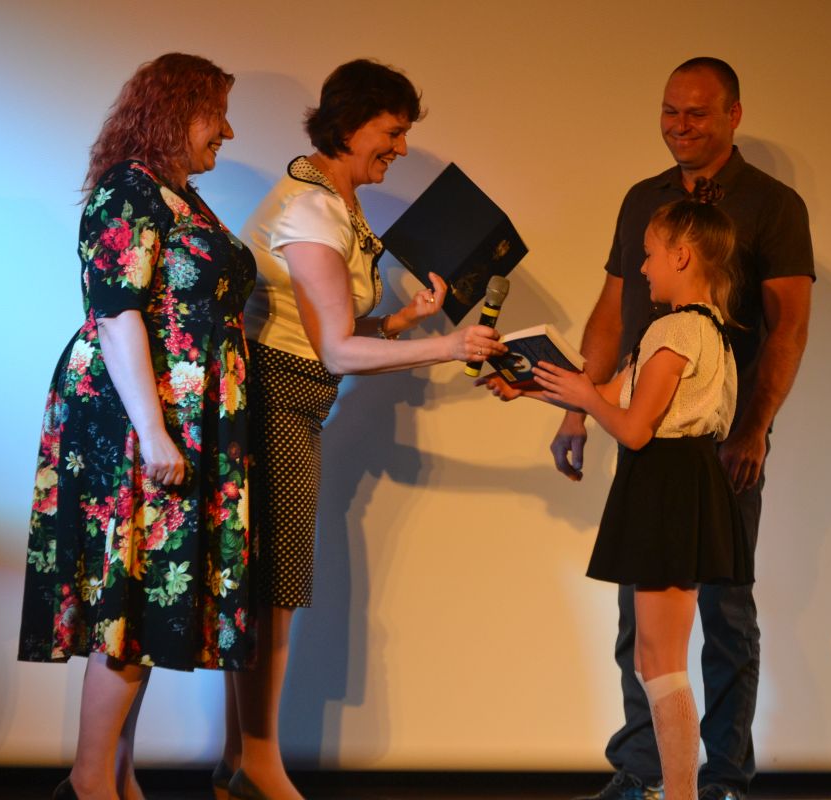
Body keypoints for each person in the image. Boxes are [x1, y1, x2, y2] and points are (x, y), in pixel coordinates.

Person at [215, 59, 505, 800]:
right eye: (392, 132)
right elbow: (336, 351)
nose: (401, 148)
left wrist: (400, 322)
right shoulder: (312, 209)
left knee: (269, 586)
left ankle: (239, 764)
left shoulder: (333, 201)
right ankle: (258, 766)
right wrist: (449, 346)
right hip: (274, 404)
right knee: (274, 589)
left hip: (293, 401)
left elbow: (332, 329)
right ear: (350, 124)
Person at [556, 58, 815, 800]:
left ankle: (721, 778)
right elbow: (611, 313)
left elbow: (788, 327)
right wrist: (575, 406)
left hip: (716, 444)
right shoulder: (646, 199)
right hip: (649, 437)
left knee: (726, 612)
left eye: (696, 112)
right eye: (670, 111)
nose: (679, 125)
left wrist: (753, 428)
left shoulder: (772, 206)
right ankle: (647, 774)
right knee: (642, 625)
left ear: (734, 114)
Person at [17, 53, 255, 800]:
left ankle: (118, 778)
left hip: (176, 415)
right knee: (129, 598)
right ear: (175, 111)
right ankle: (91, 782)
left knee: (145, 606)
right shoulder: (130, 189)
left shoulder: (182, 198)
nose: (227, 132)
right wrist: (154, 433)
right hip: (135, 417)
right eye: (216, 114)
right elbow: (117, 313)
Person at [527, 198, 752, 800]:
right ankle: (679, 791)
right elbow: (610, 392)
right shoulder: (700, 328)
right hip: (676, 485)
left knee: (662, 660)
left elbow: (632, 428)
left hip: (669, 487)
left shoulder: (676, 330)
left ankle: (680, 794)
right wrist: (531, 384)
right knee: (656, 659)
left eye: (649, 256)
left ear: (682, 256)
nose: (644, 268)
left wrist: (583, 398)